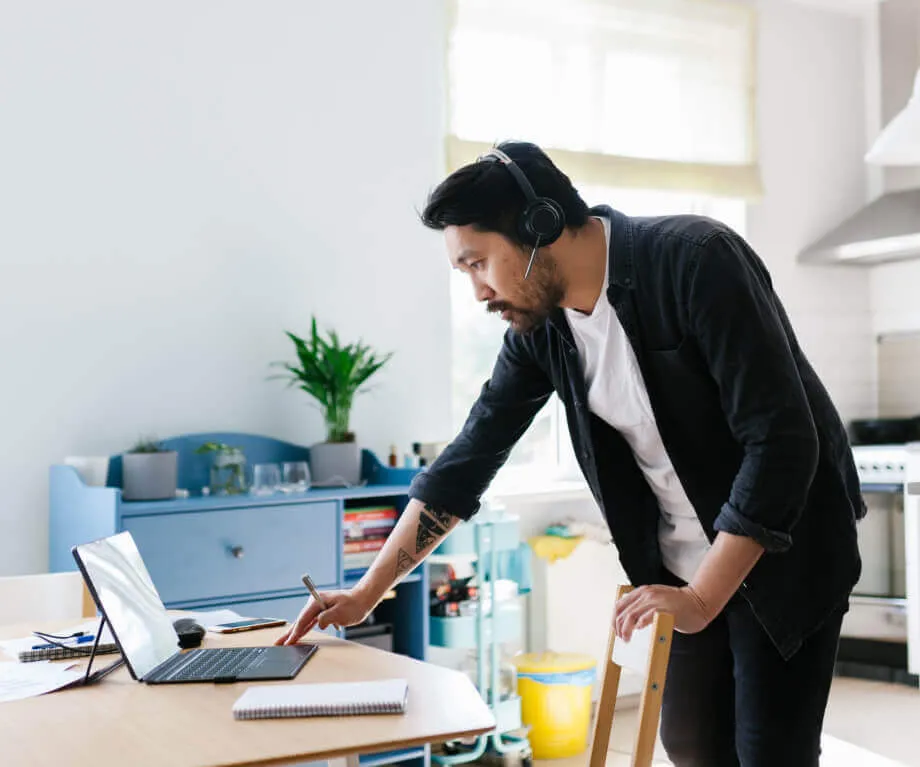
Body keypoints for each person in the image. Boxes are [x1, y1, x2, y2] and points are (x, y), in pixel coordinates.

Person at [276, 141, 864, 767]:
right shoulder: (543, 329)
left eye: (479, 263)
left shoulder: (696, 260)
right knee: (693, 747)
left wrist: (699, 600)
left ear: (540, 225)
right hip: (682, 565)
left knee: (769, 752)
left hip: (783, 549)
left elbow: (781, 441)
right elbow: (468, 460)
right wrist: (368, 593)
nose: (478, 292)